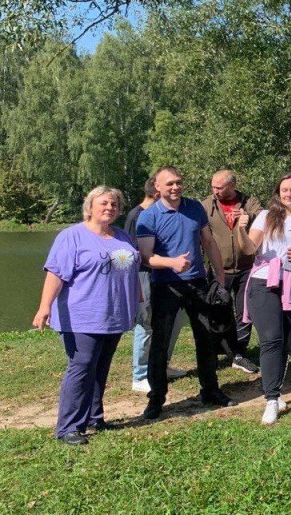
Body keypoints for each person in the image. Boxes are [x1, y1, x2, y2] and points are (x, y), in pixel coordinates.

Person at [32, 186, 140, 445]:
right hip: (82, 315)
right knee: (82, 366)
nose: (109, 208)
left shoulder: (122, 237)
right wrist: (44, 307)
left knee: (100, 367)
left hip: (114, 316)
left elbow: (131, 271)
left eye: (114, 204)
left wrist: (139, 302)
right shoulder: (72, 236)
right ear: (89, 207)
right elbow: (56, 273)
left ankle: (94, 416)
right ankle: (68, 427)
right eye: (103, 203)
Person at [135, 166, 233, 420]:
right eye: (169, 184)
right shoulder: (148, 217)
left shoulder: (194, 208)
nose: (175, 187)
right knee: (161, 342)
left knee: (206, 338)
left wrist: (220, 278)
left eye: (178, 182)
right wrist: (172, 263)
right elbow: (146, 257)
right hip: (165, 286)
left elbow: (208, 242)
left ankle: (210, 391)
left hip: (197, 283)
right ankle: (156, 399)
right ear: (157, 186)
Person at [236, 173, 291, 425]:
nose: (289, 194)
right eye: (284, 190)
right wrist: (240, 228)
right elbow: (249, 248)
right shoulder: (266, 217)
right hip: (265, 283)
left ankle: (276, 388)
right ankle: (271, 398)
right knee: (271, 339)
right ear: (278, 192)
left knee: (285, 341)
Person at [126, 177, 186, 393]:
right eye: (167, 187)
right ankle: (140, 375)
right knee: (146, 325)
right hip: (145, 277)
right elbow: (136, 255)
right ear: (156, 191)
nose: (173, 192)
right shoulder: (138, 216)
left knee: (174, 321)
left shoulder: (164, 213)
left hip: (167, 276)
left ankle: (162, 366)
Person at [201, 168, 263, 374]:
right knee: (218, 310)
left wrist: (248, 215)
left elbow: (262, 216)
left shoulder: (249, 201)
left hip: (247, 267)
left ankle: (239, 352)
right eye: (213, 187)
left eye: (219, 187)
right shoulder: (206, 205)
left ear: (232, 186)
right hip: (219, 269)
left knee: (245, 312)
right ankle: (219, 350)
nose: (215, 191)